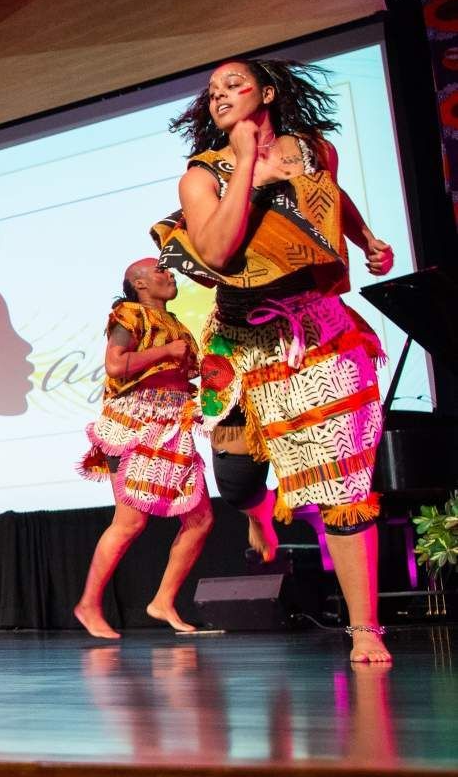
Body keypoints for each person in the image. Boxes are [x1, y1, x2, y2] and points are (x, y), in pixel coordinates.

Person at [153, 58, 394, 663]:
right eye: (211, 92)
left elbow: (328, 199)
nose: (220, 95)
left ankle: (365, 629)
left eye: (233, 85)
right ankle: (261, 514)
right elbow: (214, 247)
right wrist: (245, 167)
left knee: (343, 484)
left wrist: (365, 241)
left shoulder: (314, 150)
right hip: (239, 343)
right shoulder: (202, 176)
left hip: (315, 330)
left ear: (267, 92)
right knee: (235, 483)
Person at [73, 260, 214, 639]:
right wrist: (167, 351)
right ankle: (88, 605)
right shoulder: (129, 314)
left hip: (171, 425)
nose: (170, 275)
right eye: (161, 272)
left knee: (200, 519)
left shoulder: (179, 325)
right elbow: (115, 365)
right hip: (133, 423)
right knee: (130, 522)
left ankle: (163, 600)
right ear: (139, 283)